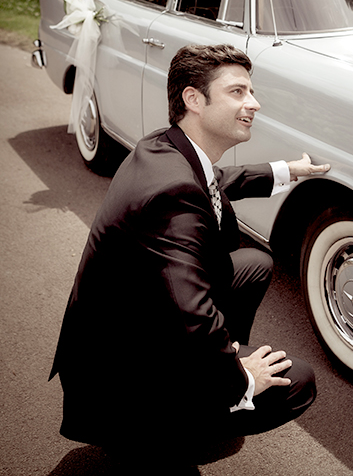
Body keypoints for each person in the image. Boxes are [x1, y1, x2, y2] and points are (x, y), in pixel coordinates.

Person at [50, 43, 330, 464]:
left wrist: (287, 170)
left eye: (251, 91)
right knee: (298, 380)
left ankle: (210, 376)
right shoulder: (172, 192)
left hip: (130, 324)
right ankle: (167, 435)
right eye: (238, 92)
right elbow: (193, 315)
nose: (254, 103)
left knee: (252, 265)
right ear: (193, 99)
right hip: (119, 379)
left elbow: (216, 179)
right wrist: (241, 380)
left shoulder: (166, 147)